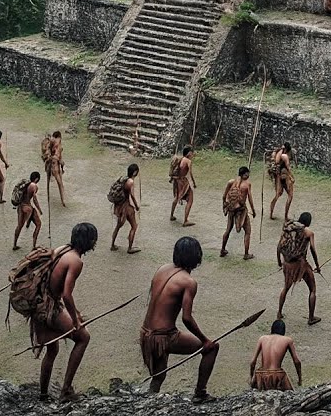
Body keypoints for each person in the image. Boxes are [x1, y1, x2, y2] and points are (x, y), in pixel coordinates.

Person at [141, 236, 219, 402]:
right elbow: (187, 318)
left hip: (146, 333)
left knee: (159, 376)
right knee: (212, 348)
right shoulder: (188, 282)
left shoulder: (162, 269)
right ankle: (200, 393)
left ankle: (150, 399)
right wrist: (204, 340)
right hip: (163, 336)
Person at [34, 223, 97, 403]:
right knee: (83, 337)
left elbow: (57, 285)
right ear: (88, 241)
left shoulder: (63, 249)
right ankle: (66, 390)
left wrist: (75, 313)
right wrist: (76, 321)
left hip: (39, 304)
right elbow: (67, 295)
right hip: (49, 307)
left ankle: (44, 395)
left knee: (52, 349)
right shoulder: (76, 261)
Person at [276, 212, 321, 325]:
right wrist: (317, 265)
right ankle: (311, 318)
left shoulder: (287, 229)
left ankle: (279, 313)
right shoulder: (308, 233)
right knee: (312, 289)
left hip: (287, 263)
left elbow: (279, 246)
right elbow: (313, 249)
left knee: (285, 288)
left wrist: (279, 262)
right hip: (300, 264)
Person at [250, 320, 302, 391]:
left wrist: (252, 377)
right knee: (291, 396)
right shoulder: (287, 340)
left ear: (272, 329)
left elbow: (253, 362)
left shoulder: (262, 338)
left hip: (261, 375)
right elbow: (297, 361)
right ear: (283, 331)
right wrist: (300, 379)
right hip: (278, 376)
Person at [221, 166, 257, 259]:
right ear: (244, 174)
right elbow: (250, 198)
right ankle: (246, 254)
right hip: (241, 210)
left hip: (231, 209)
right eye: (247, 174)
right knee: (248, 231)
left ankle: (222, 249)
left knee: (228, 230)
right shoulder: (247, 184)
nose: (248, 175)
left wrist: (225, 207)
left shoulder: (231, 182)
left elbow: (224, 196)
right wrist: (253, 211)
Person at [110, 164, 142, 254]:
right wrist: (136, 206)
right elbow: (132, 195)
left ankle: (112, 245)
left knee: (118, 226)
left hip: (119, 207)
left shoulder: (123, 179)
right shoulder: (131, 182)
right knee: (134, 226)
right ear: (135, 172)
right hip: (126, 207)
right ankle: (130, 248)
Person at [13, 172, 44, 251]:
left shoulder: (26, 184)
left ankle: (15, 244)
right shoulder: (34, 186)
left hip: (20, 206)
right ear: (36, 179)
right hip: (28, 207)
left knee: (19, 226)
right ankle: (34, 246)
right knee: (38, 224)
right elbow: (34, 199)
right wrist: (40, 210)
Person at [170, 146, 196, 227]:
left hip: (178, 181)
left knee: (176, 197)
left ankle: (171, 215)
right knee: (190, 200)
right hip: (185, 182)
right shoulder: (188, 161)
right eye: (192, 152)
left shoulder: (180, 159)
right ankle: (185, 220)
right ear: (189, 153)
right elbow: (190, 174)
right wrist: (194, 183)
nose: (193, 154)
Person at [268, 143, 295, 222]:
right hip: (284, 176)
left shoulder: (276, 153)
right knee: (290, 195)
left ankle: (271, 214)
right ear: (287, 150)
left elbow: (275, 164)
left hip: (278, 176)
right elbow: (288, 167)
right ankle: (286, 217)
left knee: (277, 194)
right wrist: (292, 177)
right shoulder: (285, 156)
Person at [43, 130, 67, 208]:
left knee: (60, 183)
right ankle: (61, 200)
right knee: (57, 182)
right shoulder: (53, 142)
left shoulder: (57, 144)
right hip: (53, 164)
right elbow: (48, 153)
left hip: (57, 164)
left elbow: (59, 154)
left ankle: (63, 200)